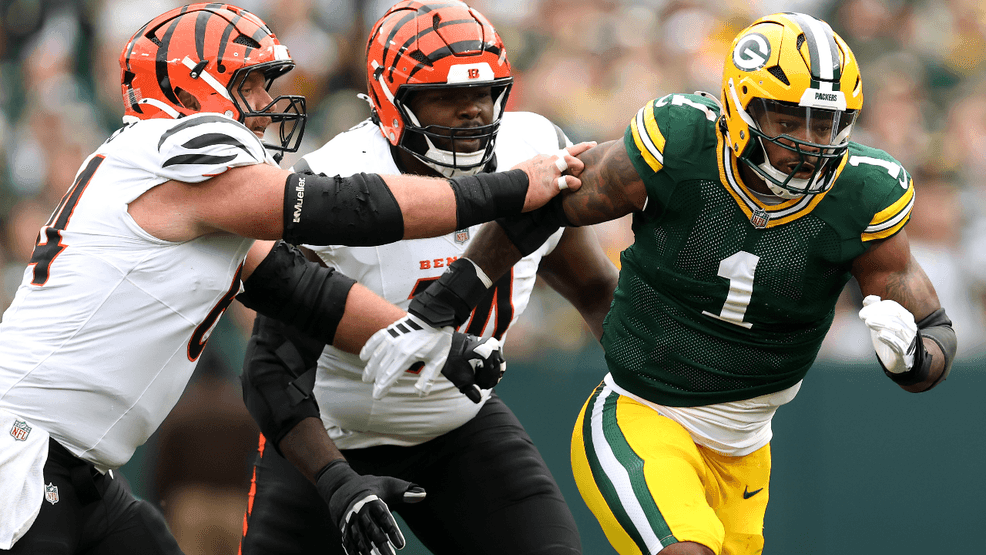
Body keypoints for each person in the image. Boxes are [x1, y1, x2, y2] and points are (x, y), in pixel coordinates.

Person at [0, 3, 591, 554]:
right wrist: (514, 187)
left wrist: (437, 343)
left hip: (76, 463)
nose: (267, 100)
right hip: (19, 452)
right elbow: (347, 208)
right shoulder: (171, 147)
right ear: (187, 88)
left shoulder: (171, 185)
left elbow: (299, 290)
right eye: (250, 83)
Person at [364, 12, 957, 555]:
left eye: (825, 123)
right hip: (642, 413)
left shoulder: (865, 193)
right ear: (740, 108)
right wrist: (445, 303)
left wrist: (913, 360)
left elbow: (935, 330)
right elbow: (545, 206)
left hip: (748, 448)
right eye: (788, 118)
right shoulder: (681, 144)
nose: (807, 144)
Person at [237, 2, 619, 555]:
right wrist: (337, 483)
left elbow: (591, 288)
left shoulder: (530, 148)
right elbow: (271, 371)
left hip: (460, 424)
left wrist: (663, 393)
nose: (470, 111)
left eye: (482, 93)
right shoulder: (336, 185)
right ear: (392, 105)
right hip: (330, 440)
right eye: (444, 96)